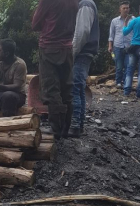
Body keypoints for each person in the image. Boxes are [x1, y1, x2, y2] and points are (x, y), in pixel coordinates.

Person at [32, 0, 79, 140]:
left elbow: (35, 24)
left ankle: (55, 128)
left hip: (49, 47)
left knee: (51, 88)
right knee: (66, 87)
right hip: (67, 48)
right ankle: (65, 127)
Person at [68, 0, 99, 138]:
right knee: (79, 87)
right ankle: (78, 125)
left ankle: (75, 126)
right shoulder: (87, 3)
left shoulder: (85, 4)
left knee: (75, 87)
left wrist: (72, 54)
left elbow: (82, 32)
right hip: (86, 52)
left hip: (82, 52)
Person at [108, 2, 134, 87]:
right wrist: (110, 46)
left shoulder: (133, 20)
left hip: (129, 46)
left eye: (127, 8)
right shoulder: (114, 21)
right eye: (124, 8)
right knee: (119, 66)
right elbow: (111, 35)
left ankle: (125, 82)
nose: (126, 10)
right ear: (120, 10)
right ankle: (118, 82)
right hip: (118, 46)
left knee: (128, 66)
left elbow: (136, 32)